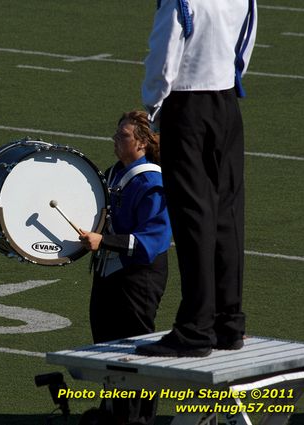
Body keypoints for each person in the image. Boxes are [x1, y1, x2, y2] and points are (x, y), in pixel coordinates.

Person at [136, 0, 257, 358]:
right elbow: (245, 43)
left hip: (187, 107)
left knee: (193, 219)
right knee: (227, 216)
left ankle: (195, 328)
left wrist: (155, 106)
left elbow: (163, 55)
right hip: (227, 102)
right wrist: (227, 79)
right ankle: (228, 322)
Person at [78, 110, 172, 425]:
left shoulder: (153, 183)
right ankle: (114, 414)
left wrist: (104, 241)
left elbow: (154, 240)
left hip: (138, 278)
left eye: (124, 136)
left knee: (135, 350)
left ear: (143, 143)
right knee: (106, 347)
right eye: (116, 133)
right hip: (108, 273)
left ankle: (139, 419)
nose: (115, 140)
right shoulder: (116, 172)